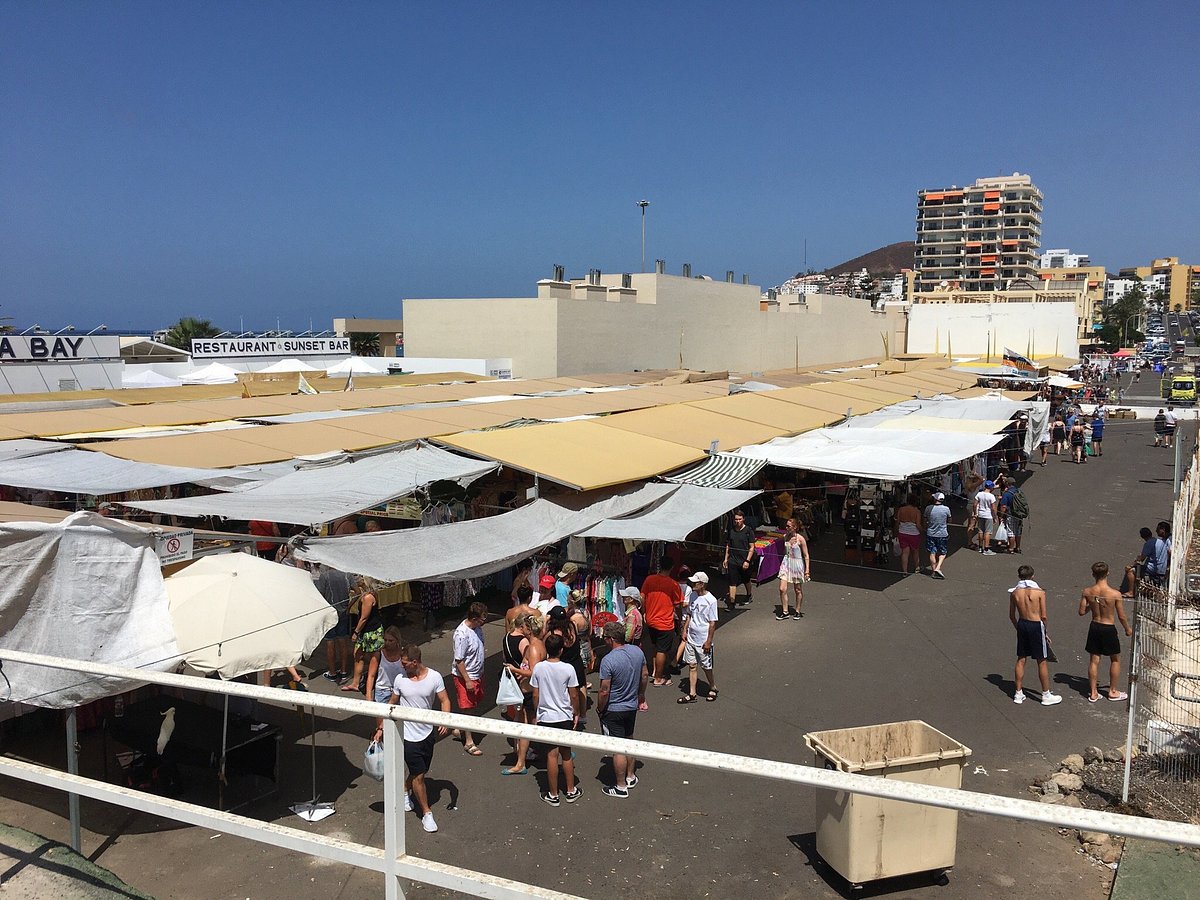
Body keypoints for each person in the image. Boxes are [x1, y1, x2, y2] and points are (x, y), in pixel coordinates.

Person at [374, 643, 450, 834]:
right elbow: (392, 703)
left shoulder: (434, 677)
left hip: (427, 734)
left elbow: (445, 700)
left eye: (406, 663)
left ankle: (403, 790)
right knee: (419, 775)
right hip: (407, 736)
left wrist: (445, 719)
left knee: (421, 770)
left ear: (415, 662)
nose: (402, 666)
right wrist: (381, 727)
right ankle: (426, 813)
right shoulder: (400, 680)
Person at [529, 632, 583, 806]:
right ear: (561, 650)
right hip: (564, 715)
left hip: (546, 716)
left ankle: (553, 794)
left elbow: (535, 694)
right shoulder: (568, 669)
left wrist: (537, 712)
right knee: (566, 753)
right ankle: (570, 790)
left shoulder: (539, 668)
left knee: (551, 756)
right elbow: (574, 695)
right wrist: (576, 713)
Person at [597, 620, 648, 798]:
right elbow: (644, 675)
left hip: (614, 708)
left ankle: (620, 786)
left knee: (618, 747)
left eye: (605, 637)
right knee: (629, 739)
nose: (604, 640)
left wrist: (599, 708)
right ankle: (630, 776)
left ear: (611, 639)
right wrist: (641, 695)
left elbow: (604, 691)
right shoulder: (637, 652)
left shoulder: (608, 660)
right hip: (631, 705)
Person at [1078, 562, 1132, 703]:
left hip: (1095, 626)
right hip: (1108, 628)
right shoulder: (1115, 594)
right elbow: (1121, 616)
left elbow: (1082, 612)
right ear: (1107, 573)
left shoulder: (1088, 592)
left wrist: (1092, 604)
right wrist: (1127, 628)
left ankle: (1094, 693)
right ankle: (1113, 691)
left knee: (1094, 660)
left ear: (1093, 574)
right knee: (1115, 659)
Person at [1009, 566, 1063, 706]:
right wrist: (1045, 632)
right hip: (1035, 625)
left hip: (1022, 623)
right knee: (1041, 660)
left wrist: (1018, 628)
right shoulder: (1039, 592)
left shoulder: (1014, 592)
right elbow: (1043, 616)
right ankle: (1046, 694)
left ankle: (1018, 693)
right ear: (1032, 576)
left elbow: (1011, 615)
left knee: (1021, 658)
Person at [451, 601, 487, 756]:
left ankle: (460, 728)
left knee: (474, 703)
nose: (483, 622)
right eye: (481, 619)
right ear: (473, 618)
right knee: (468, 708)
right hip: (465, 676)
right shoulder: (461, 634)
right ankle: (469, 741)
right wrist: (467, 680)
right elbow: (459, 660)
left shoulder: (477, 629)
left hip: (477, 673)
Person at [641, 558, 684, 686]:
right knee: (662, 650)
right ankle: (659, 678)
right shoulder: (673, 584)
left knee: (655, 646)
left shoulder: (649, 579)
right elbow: (678, 605)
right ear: (671, 568)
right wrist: (680, 619)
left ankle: (655, 671)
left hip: (651, 619)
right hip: (664, 622)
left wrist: (644, 612)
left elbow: (642, 597)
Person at [678, 572, 719, 704]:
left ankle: (712, 686)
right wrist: (685, 630)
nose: (692, 584)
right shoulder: (692, 596)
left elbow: (712, 623)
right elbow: (689, 614)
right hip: (691, 637)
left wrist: (708, 641)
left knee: (706, 666)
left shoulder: (711, 600)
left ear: (702, 584)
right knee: (692, 665)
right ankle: (692, 693)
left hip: (703, 639)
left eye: (695, 582)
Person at [344, 576, 383, 695]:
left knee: (373, 657)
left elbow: (364, 618)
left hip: (372, 631)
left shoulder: (368, 597)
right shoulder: (366, 594)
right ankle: (355, 683)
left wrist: (356, 632)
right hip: (366, 631)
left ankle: (372, 682)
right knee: (358, 654)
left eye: (360, 577)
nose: (357, 579)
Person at [316, 564, 354, 683]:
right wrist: (349, 606)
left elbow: (319, 595)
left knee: (330, 642)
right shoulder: (347, 575)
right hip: (343, 612)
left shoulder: (325, 576)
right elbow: (358, 591)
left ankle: (332, 672)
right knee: (343, 641)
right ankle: (343, 671)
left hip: (330, 613)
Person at [722, 509, 755, 610]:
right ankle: (731, 603)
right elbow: (728, 545)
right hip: (733, 560)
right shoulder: (731, 531)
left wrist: (747, 561)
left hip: (744, 561)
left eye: (739, 519)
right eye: (736, 519)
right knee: (732, 582)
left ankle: (749, 594)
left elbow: (752, 547)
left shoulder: (748, 531)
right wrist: (726, 559)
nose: (737, 521)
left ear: (743, 519)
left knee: (746, 580)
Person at [776, 521, 810, 619]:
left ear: (794, 527)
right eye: (786, 526)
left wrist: (807, 570)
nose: (786, 528)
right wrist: (788, 544)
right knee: (782, 589)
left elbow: (806, 555)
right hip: (786, 563)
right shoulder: (786, 537)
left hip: (797, 565)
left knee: (797, 589)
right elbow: (786, 552)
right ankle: (785, 611)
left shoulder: (800, 539)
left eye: (788, 526)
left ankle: (798, 610)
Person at [893, 494, 923, 575]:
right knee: (915, 551)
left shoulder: (901, 509)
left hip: (902, 532)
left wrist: (895, 531)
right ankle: (917, 567)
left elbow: (897, 522)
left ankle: (904, 571)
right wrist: (922, 531)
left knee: (905, 552)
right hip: (914, 533)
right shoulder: (917, 511)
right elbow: (918, 524)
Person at [923, 492, 951, 579]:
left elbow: (924, 519)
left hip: (930, 532)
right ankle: (938, 568)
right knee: (943, 552)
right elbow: (949, 520)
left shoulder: (928, 508)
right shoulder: (946, 509)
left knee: (932, 552)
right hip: (942, 533)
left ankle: (934, 570)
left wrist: (926, 527)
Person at [974, 480, 998, 555]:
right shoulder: (991, 496)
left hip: (980, 514)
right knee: (988, 532)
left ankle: (980, 547)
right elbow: (993, 508)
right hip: (988, 515)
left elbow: (974, 504)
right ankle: (986, 549)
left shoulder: (979, 494)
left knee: (980, 531)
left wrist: (975, 513)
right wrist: (995, 516)